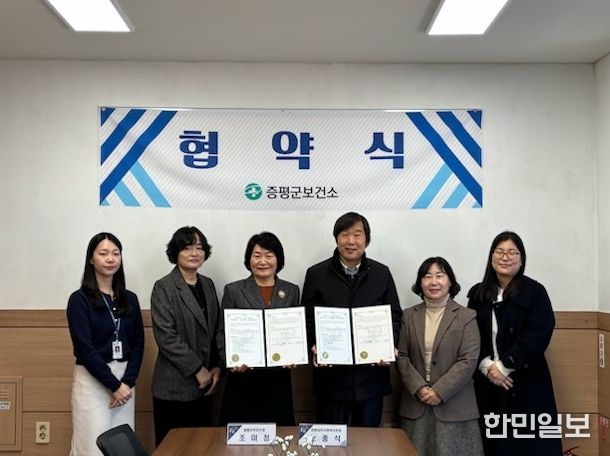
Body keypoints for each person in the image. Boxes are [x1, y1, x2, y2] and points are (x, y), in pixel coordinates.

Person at [302, 212, 401, 426]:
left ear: (367, 239)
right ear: (336, 238)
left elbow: (394, 315)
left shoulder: (381, 273)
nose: (351, 241)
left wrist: (388, 345)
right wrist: (314, 344)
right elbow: (307, 318)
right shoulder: (317, 274)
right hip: (331, 378)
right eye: (345, 234)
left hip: (371, 378)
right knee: (330, 440)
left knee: (368, 440)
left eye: (357, 234)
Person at [467, 231, 562, 456]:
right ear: (491, 257)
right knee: (494, 443)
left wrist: (505, 365)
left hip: (527, 381)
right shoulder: (478, 293)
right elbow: (471, 335)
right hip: (488, 381)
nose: (505, 257)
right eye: (499, 251)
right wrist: (487, 366)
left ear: (521, 259)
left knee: (529, 443)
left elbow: (539, 333)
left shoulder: (535, 291)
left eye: (512, 252)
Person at [67, 232, 144, 456]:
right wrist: (113, 386)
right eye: (103, 253)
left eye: (116, 253)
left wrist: (126, 383)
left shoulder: (130, 298)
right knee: (91, 447)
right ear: (91, 259)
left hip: (125, 384)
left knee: (123, 448)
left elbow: (139, 343)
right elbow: (84, 348)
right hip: (93, 381)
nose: (111, 259)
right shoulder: (79, 299)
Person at [396, 257, 483, 455]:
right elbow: (401, 356)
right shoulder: (408, 316)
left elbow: (468, 359)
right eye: (427, 276)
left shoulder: (466, 316)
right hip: (415, 404)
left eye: (440, 276)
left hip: (454, 406)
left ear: (450, 281)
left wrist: (439, 391)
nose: (433, 282)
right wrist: (419, 388)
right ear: (420, 283)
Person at [150, 226, 224, 446]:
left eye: (199, 248)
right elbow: (166, 337)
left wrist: (217, 366)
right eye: (187, 248)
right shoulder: (164, 287)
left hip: (206, 386)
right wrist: (197, 369)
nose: (194, 253)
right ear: (176, 252)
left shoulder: (208, 284)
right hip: (174, 387)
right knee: (173, 449)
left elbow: (215, 329)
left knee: (201, 447)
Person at [219, 232, 300, 425]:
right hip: (243, 378)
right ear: (249, 259)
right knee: (242, 436)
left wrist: (295, 355)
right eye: (257, 255)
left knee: (278, 434)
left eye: (269, 255)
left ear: (278, 259)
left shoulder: (291, 290)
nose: (263, 261)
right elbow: (222, 332)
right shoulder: (233, 290)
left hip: (278, 378)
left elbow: (296, 331)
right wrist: (230, 360)